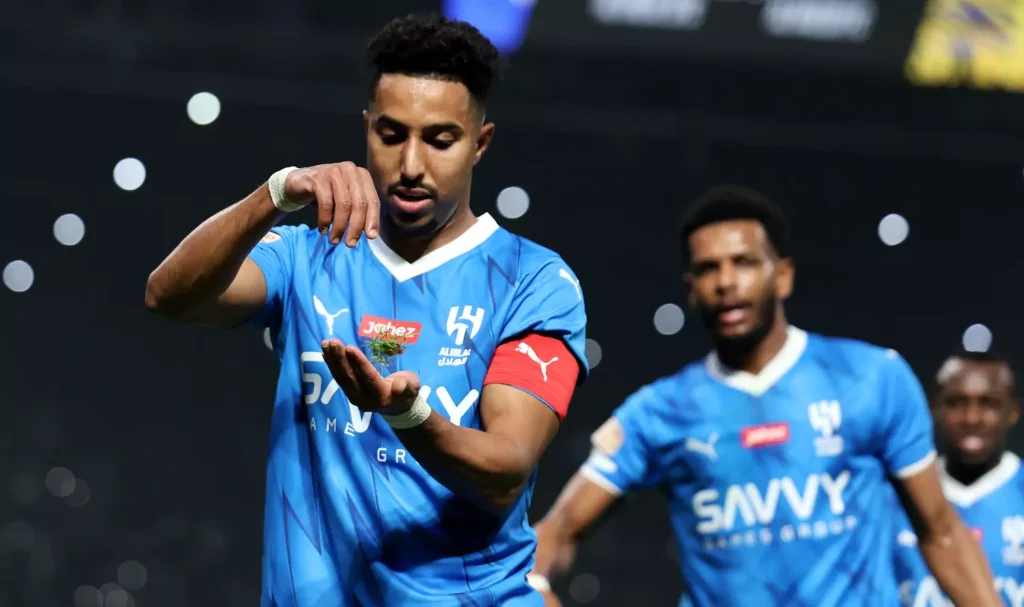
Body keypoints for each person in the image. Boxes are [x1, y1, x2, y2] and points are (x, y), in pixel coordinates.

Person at [145, 13, 588, 607]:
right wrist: (276, 193)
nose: (411, 165)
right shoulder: (307, 256)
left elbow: (506, 471)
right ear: (366, 129)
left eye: (440, 140)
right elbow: (169, 296)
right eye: (391, 134)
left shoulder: (533, 281)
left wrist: (409, 416)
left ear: (479, 144)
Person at [528, 185, 1000, 606]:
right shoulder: (660, 411)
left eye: (744, 262)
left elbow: (940, 531)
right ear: (691, 290)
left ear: (784, 275)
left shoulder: (872, 377)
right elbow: (560, 528)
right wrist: (533, 583)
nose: (726, 282)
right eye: (708, 269)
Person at [894, 350, 1024, 606]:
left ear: (1013, 412)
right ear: (934, 408)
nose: (971, 419)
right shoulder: (897, 497)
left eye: (989, 404)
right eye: (956, 403)